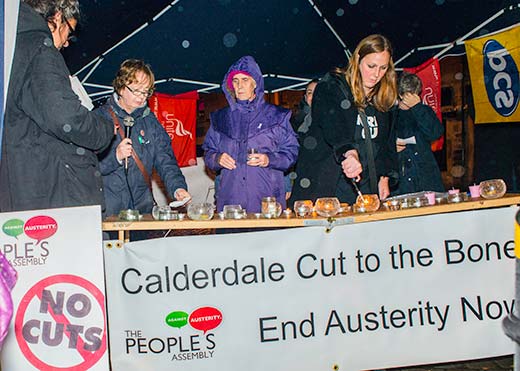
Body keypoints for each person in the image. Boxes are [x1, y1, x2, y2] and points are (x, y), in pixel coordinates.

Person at [0, 0, 114, 212]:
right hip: (53, 193)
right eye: (69, 32)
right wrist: (104, 129)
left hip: (22, 187)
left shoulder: (10, 47)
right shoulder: (39, 48)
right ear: (58, 16)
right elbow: (65, 119)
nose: (67, 43)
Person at [290, 34, 398, 205]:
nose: (376, 74)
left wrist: (385, 176)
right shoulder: (332, 86)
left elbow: (386, 143)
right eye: (371, 66)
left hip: (366, 189)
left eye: (383, 68)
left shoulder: (384, 100)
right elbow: (334, 126)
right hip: (327, 184)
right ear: (357, 59)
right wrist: (348, 151)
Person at [203, 55, 299, 213]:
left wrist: (269, 159)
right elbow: (208, 152)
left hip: (266, 198)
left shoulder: (276, 116)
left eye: (245, 80)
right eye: (235, 81)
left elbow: (291, 152)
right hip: (230, 199)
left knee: (266, 238)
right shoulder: (220, 118)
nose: (239, 86)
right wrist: (217, 158)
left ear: (255, 83)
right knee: (232, 238)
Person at [96, 59, 190, 217]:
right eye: (136, 90)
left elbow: (165, 160)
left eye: (146, 92)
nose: (141, 97)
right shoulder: (99, 118)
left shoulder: (150, 121)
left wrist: (177, 187)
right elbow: (87, 167)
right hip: (109, 212)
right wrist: (115, 157)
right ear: (120, 87)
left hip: (142, 211)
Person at [394, 72, 444, 194]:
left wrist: (417, 107)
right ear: (399, 94)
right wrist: (391, 148)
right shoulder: (389, 115)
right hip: (400, 179)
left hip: (426, 177)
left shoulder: (424, 111)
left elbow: (435, 133)